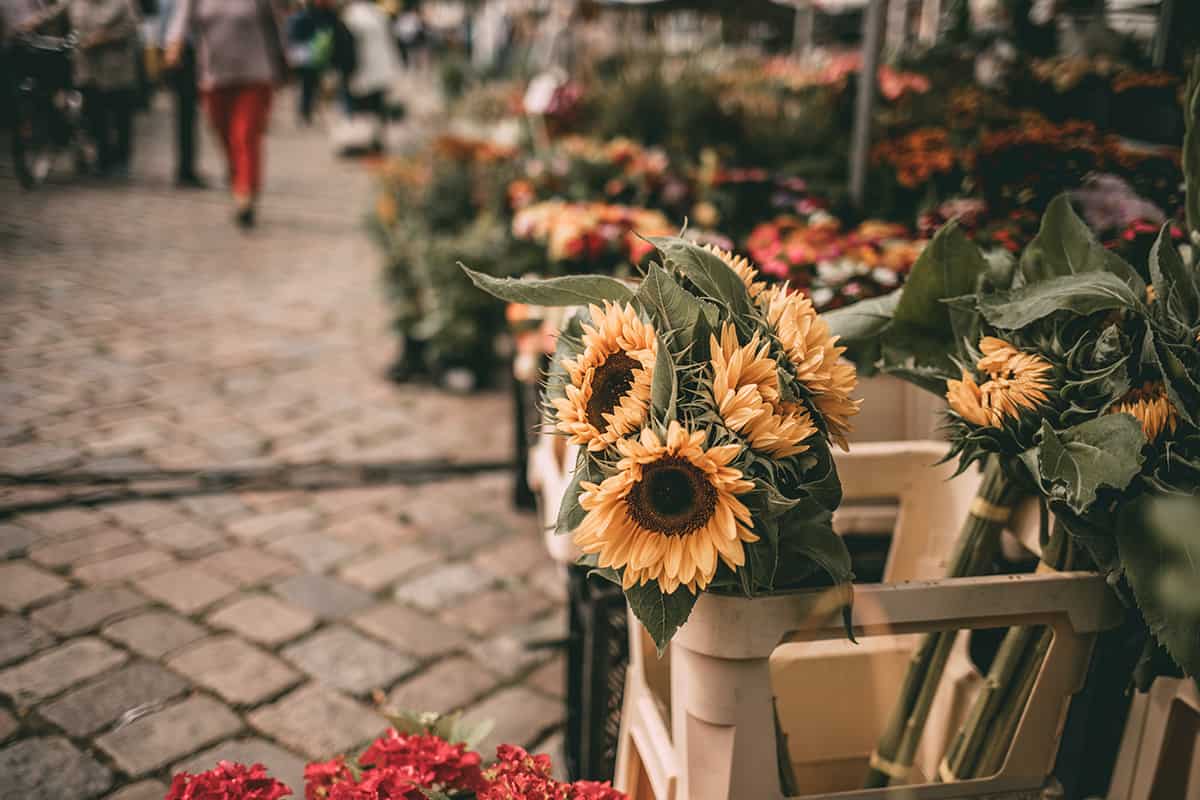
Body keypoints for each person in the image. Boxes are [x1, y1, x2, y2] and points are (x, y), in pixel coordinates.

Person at [165, 0, 288, 228]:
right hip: (214, 76)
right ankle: (238, 175)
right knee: (223, 133)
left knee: (246, 134)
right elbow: (180, 20)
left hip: (256, 74)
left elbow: (277, 22)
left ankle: (245, 196)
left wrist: (284, 58)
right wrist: (174, 45)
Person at [70, 0, 140, 177]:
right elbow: (53, 15)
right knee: (95, 116)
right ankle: (104, 159)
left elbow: (132, 27)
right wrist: (31, 24)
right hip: (88, 70)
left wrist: (104, 38)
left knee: (120, 118)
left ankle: (122, 160)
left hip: (116, 71)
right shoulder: (75, 3)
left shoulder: (123, 3)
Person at [157, 0, 204, 186]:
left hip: (194, 53)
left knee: (186, 114)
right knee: (186, 114)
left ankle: (186, 167)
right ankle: (186, 168)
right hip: (185, 55)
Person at [339, 0, 396, 152]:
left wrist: (345, 72)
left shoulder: (350, 16)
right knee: (376, 107)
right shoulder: (379, 14)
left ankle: (360, 142)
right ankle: (376, 141)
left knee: (359, 110)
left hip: (361, 70)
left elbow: (346, 48)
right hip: (381, 70)